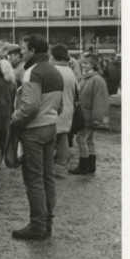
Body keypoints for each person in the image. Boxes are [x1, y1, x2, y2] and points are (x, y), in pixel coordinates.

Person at [10, 35, 64, 240]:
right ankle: (47, 221)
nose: (22, 52)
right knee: (47, 177)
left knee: (33, 180)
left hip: (34, 130)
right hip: (51, 127)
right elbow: (60, 107)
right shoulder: (55, 71)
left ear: (32, 51)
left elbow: (29, 106)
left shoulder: (32, 72)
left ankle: (37, 226)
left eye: (24, 49)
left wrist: (15, 118)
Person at [69, 53, 110, 175]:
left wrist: (97, 118)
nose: (83, 65)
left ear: (93, 65)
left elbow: (100, 101)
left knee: (81, 139)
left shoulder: (97, 80)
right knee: (89, 140)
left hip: (89, 116)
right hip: (84, 115)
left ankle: (83, 165)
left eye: (86, 63)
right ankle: (90, 165)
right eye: (82, 62)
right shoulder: (86, 77)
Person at [50, 45, 77, 179]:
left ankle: (48, 167)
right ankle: (60, 168)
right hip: (68, 109)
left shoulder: (53, 70)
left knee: (49, 139)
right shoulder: (70, 71)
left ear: (54, 56)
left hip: (54, 108)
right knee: (63, 139)